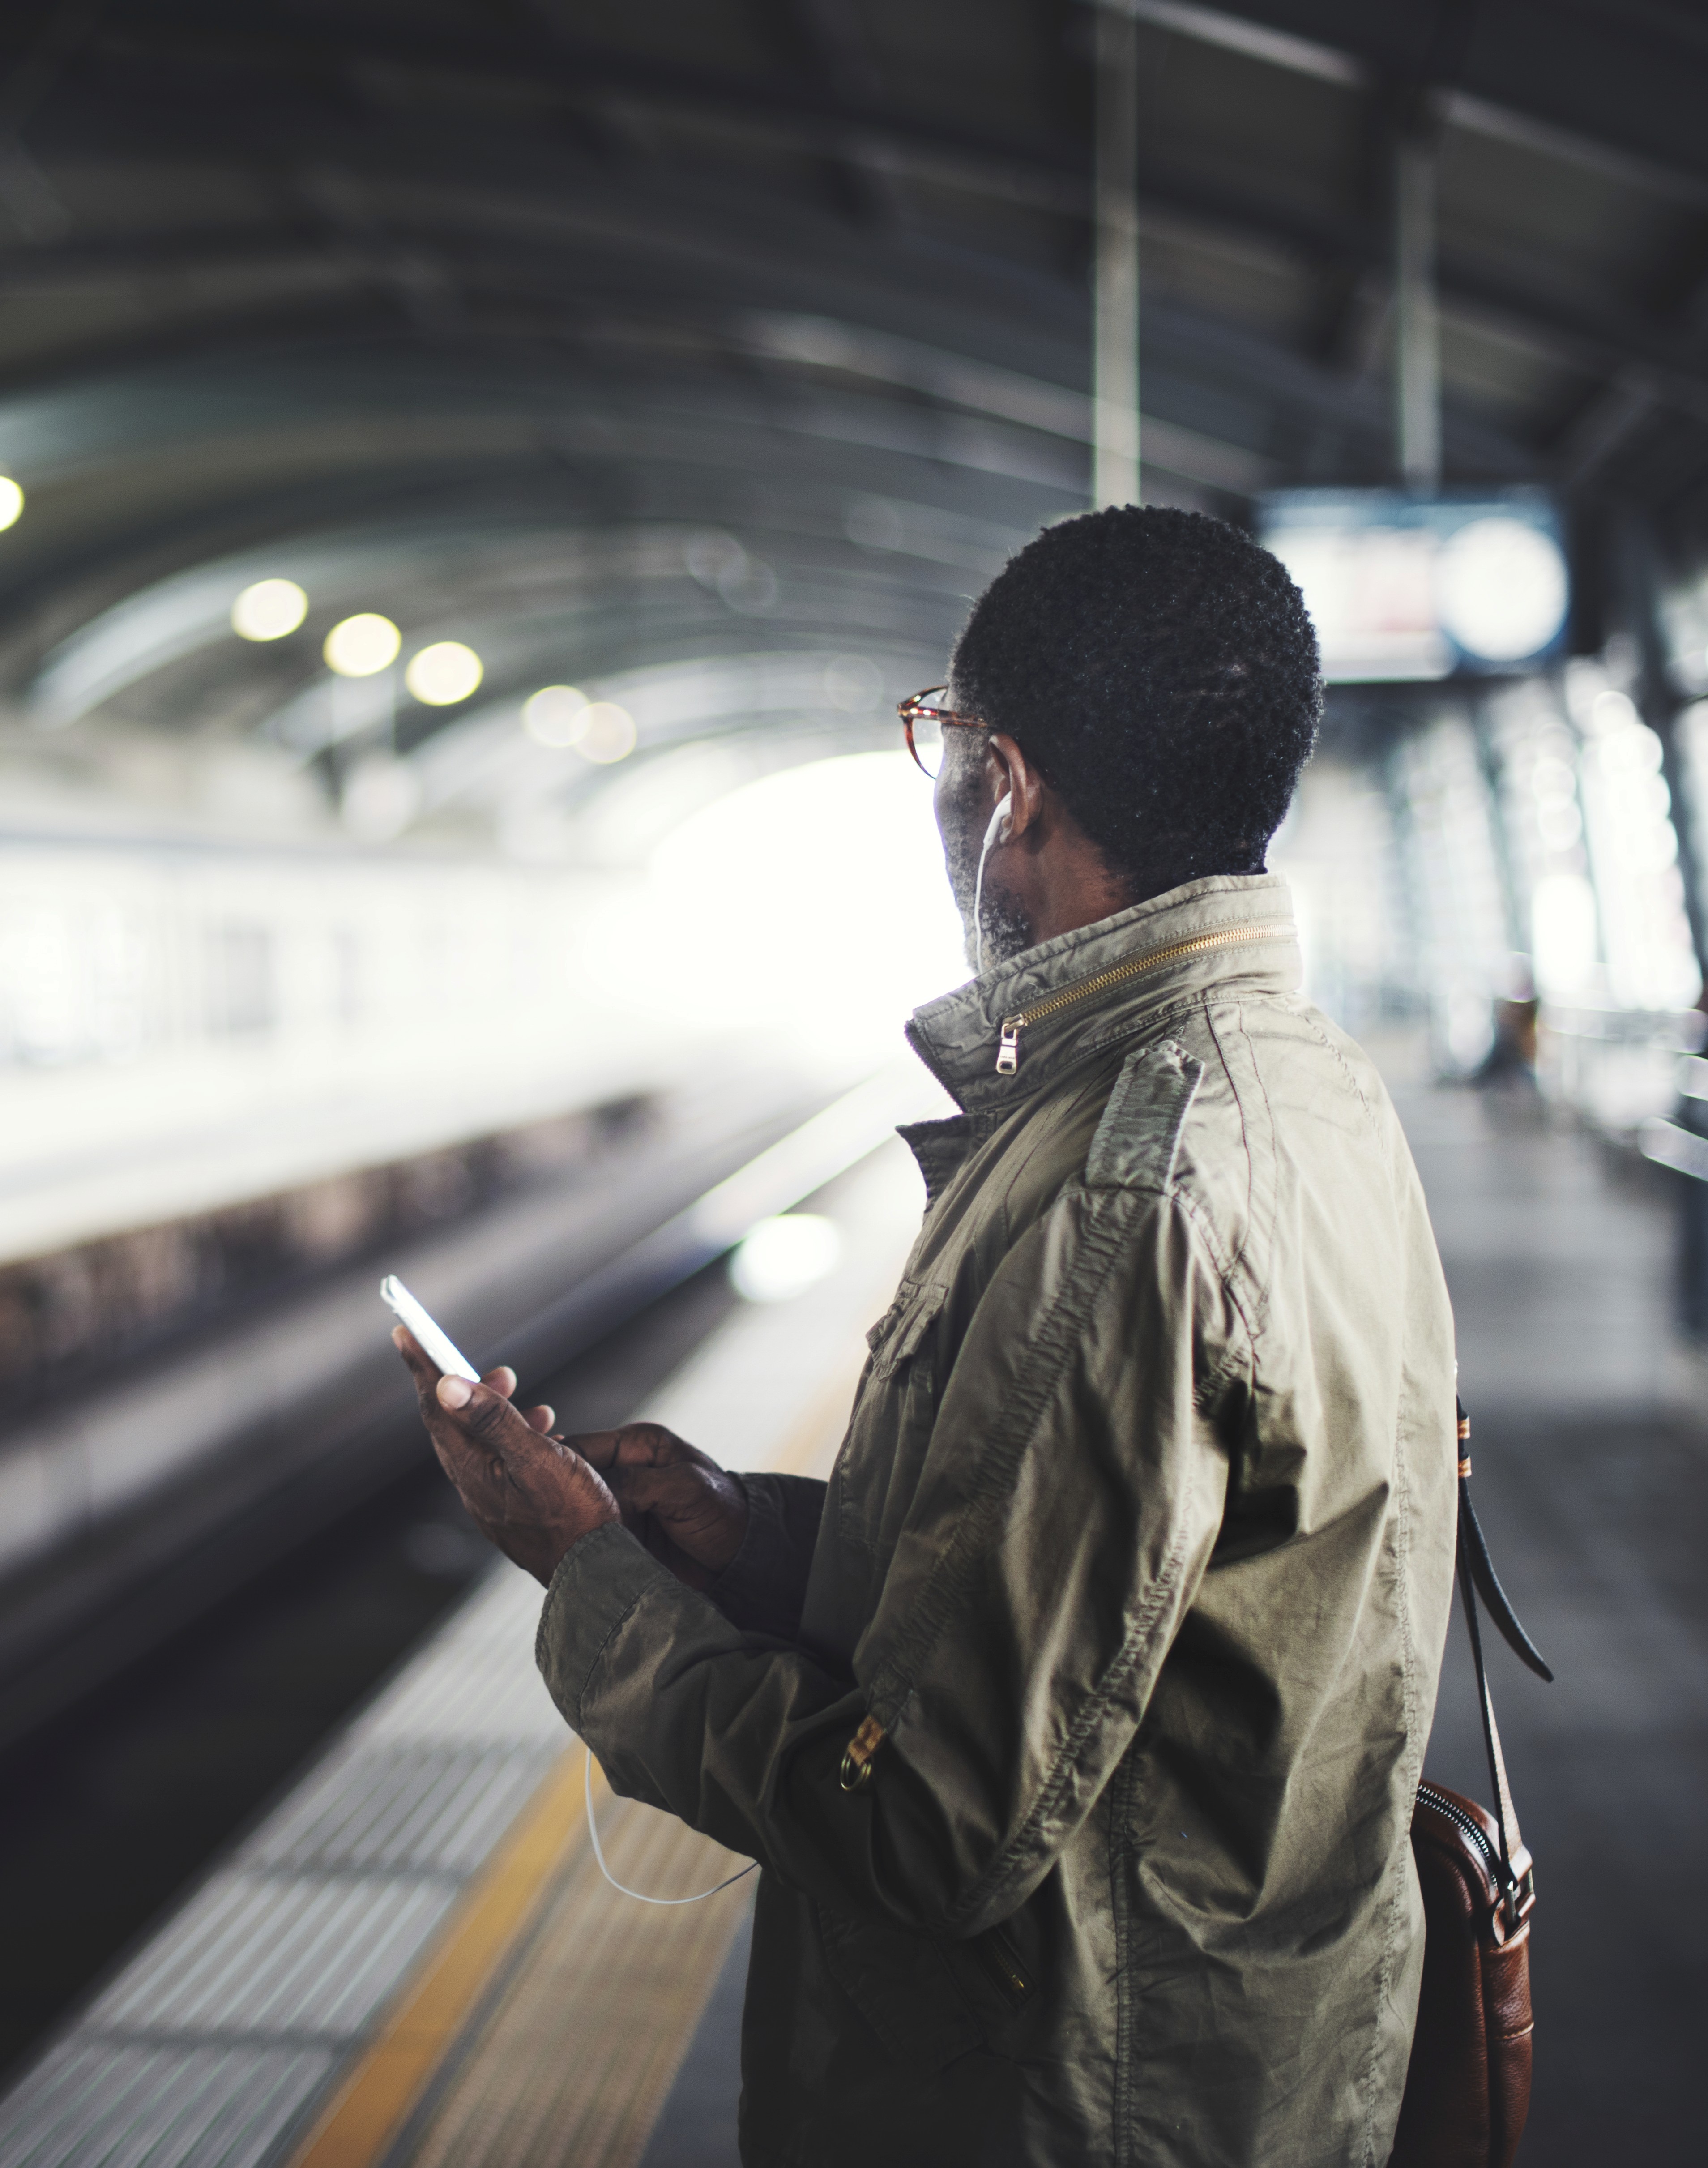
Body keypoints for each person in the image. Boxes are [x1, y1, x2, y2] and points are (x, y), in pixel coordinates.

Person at [396, 505, 1459, 2166]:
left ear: (1009, 780)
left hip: (1067, 2105)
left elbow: (929, 1822)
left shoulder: (1128, 1189)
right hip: (1240, 2068)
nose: (941, 790)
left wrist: (590, 1580)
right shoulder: (1304, 1082)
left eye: (942, 746)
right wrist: (743, 1536)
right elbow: (1119, 1610)